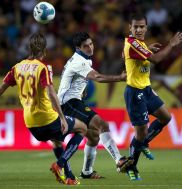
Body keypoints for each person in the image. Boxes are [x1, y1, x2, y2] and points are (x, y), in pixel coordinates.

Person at [0, 33, 87, 186]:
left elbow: (2, 87)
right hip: (47, 118)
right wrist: (62, 117)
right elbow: (50, 92)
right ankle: (59, 164)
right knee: (82, 128)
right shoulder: (43, 68)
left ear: (29, 48)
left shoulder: (17, 67)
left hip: (30, 123)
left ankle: (70, 177)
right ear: (44, 50)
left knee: (56, 142)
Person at [55, 32, 133, 180]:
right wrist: (120, 78)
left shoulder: (83, 59)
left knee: (93, 136)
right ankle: (119, 160)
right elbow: (97, 77)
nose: (90, 48)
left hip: (72, 101)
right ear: (78, 48)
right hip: (68, 103)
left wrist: (81, 90)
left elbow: (73, 79)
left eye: (91, 44)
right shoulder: (79, 61)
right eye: (86, 46)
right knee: (102, 124)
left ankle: (86, 172)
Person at [123, 13, 182, 180]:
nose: (139, 29)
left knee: (166, 117)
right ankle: (132, 166)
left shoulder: (139, 43)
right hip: (135, 92)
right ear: (130, 27)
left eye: (142, 26)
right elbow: (156, 60)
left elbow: (125, 56)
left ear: (146, 27)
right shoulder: (133, 42)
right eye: (135, 26)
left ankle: (141, 144)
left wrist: (146, 49)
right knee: (140, 132)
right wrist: (171, 44)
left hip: (147, 89)